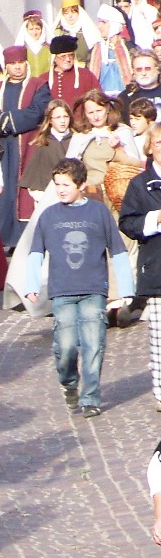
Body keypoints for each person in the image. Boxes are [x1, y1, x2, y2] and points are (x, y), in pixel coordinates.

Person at [25, 158, 134, 417]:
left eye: (66, 184)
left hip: (93, 289)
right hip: (62, 291)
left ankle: (91, 397)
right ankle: (69, 382)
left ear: (81, 185)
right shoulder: (49, 215)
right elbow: (35, 252)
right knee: (66, 346)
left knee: (94, 344)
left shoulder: (98, 213)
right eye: (57, 184)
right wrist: (31, 285)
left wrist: (126, 288)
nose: (61, 189)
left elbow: (117, 251)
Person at [0, 46, 49, 251]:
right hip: (2, 149)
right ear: (6, 66)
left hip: (28, 147)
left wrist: (5, 122)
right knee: (4, 192)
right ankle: (2, 239)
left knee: (24, 192)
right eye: (13, 64)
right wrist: (3, 124)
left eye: (21, 63)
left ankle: (24, 239)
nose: (17, 68)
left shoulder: (39, 86)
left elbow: (36, 112)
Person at [119, 123, 161, 408]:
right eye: (158, 142)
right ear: (150, 146)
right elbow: (127, 222)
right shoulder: (140, 184)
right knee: (159, 338)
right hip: (157, 268)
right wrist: (154, 220)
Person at [68, 90, 142, 201]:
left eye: (99, 110)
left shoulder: (122, 131)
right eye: (91, 113)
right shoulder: (80, 136)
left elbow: (135, 165)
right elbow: (70, 168)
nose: (96, 116)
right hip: (91, 192)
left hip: (118, 192)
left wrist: (118, 148)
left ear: (107, 109)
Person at [19, 101, 75, 214]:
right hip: (47, 202)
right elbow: (34, 181)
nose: (63, 121)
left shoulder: (77, 140)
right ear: (50, 120)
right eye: (58, 117)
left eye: (65, 116)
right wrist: (44, 198)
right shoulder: (43, 144)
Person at [89, 5, 133, 97]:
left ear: (114, 24)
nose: (99, 26)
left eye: (104, 22)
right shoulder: (95, 50)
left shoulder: (128, 48)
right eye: (99, 22)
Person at [47, 34, 100, 105]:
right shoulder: (44, 79)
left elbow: (98, 99)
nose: (68, 59)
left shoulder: (86, 75)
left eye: (71, 55)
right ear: (55, 58)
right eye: (63, 56)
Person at [53, 0, 101, 64]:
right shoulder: (58, 33)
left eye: (73, 12)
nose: (70, 16)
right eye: (66, 13)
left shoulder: (88, 31)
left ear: (78, 13)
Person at [118, 50, 161, 118]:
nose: (143, 73)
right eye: (139, 69)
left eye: (147, 69)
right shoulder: (125, 97)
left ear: (158, 69)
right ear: (133, 72)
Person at [13, 11, 51, 78]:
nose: (35, 32)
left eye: (37, 29)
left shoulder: (49, 49)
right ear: (26, 30)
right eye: (31, 29)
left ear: (42, 30)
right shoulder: (22, 50)